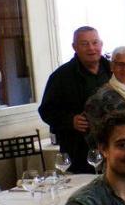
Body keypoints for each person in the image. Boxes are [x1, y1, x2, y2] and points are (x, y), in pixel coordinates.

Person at [38, 26, 110, 173]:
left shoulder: (113, 70)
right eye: (84, 44)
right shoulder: (61, 76)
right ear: (74, 47)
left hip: (113, 145)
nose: (91, 48)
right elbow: (46, 111)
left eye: (95, 42)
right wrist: (70, 120)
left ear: (101, 44)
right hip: (79, 149)